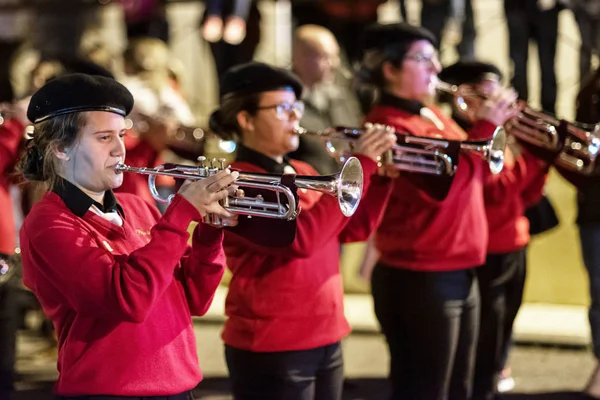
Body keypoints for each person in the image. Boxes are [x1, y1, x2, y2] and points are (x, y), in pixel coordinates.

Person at [18, 73, 238, 399]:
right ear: (61, 148)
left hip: (179, 387)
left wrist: (208, 233)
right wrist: (180, 216)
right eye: (104, 138)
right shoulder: (49, 224)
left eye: (122, 135)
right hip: (109, 391)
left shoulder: (137, 207)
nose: (121, 150)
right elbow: (126, 299)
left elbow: (194, 298)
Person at [208, 61, 396, 400]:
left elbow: (353, 231)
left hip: (326, 335)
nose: (296, 117)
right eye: (282, 108)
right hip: (273, 344)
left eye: (296, 107)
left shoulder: (304, 170)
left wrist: (380, 180)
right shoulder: (238, 182)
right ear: (245, 119)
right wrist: (362, 164)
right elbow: (303, 239)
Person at [356, 23, 520, 400]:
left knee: (460, 387)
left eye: (435, 57)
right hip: (421, 276)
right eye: (423, 58)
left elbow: (485, 177)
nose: (436, 67)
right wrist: (485, 126)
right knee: (426, 390)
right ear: (390, 69)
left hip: (459, 268)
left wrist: (498, 130)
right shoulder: (388, 127)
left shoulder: (435, 115)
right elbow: (446, 189)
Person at [439, 60, 550, 400]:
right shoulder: (465, 138)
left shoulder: (505, 137)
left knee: (502, 331)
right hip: (485, 249)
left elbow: (528, 196)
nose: (498, 105)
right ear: (464, 99)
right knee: (484, 336)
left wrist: (541, 157)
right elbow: (497, 191)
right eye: (487, 97)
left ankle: (490, 382)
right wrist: (535, 157)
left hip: (515, 244)